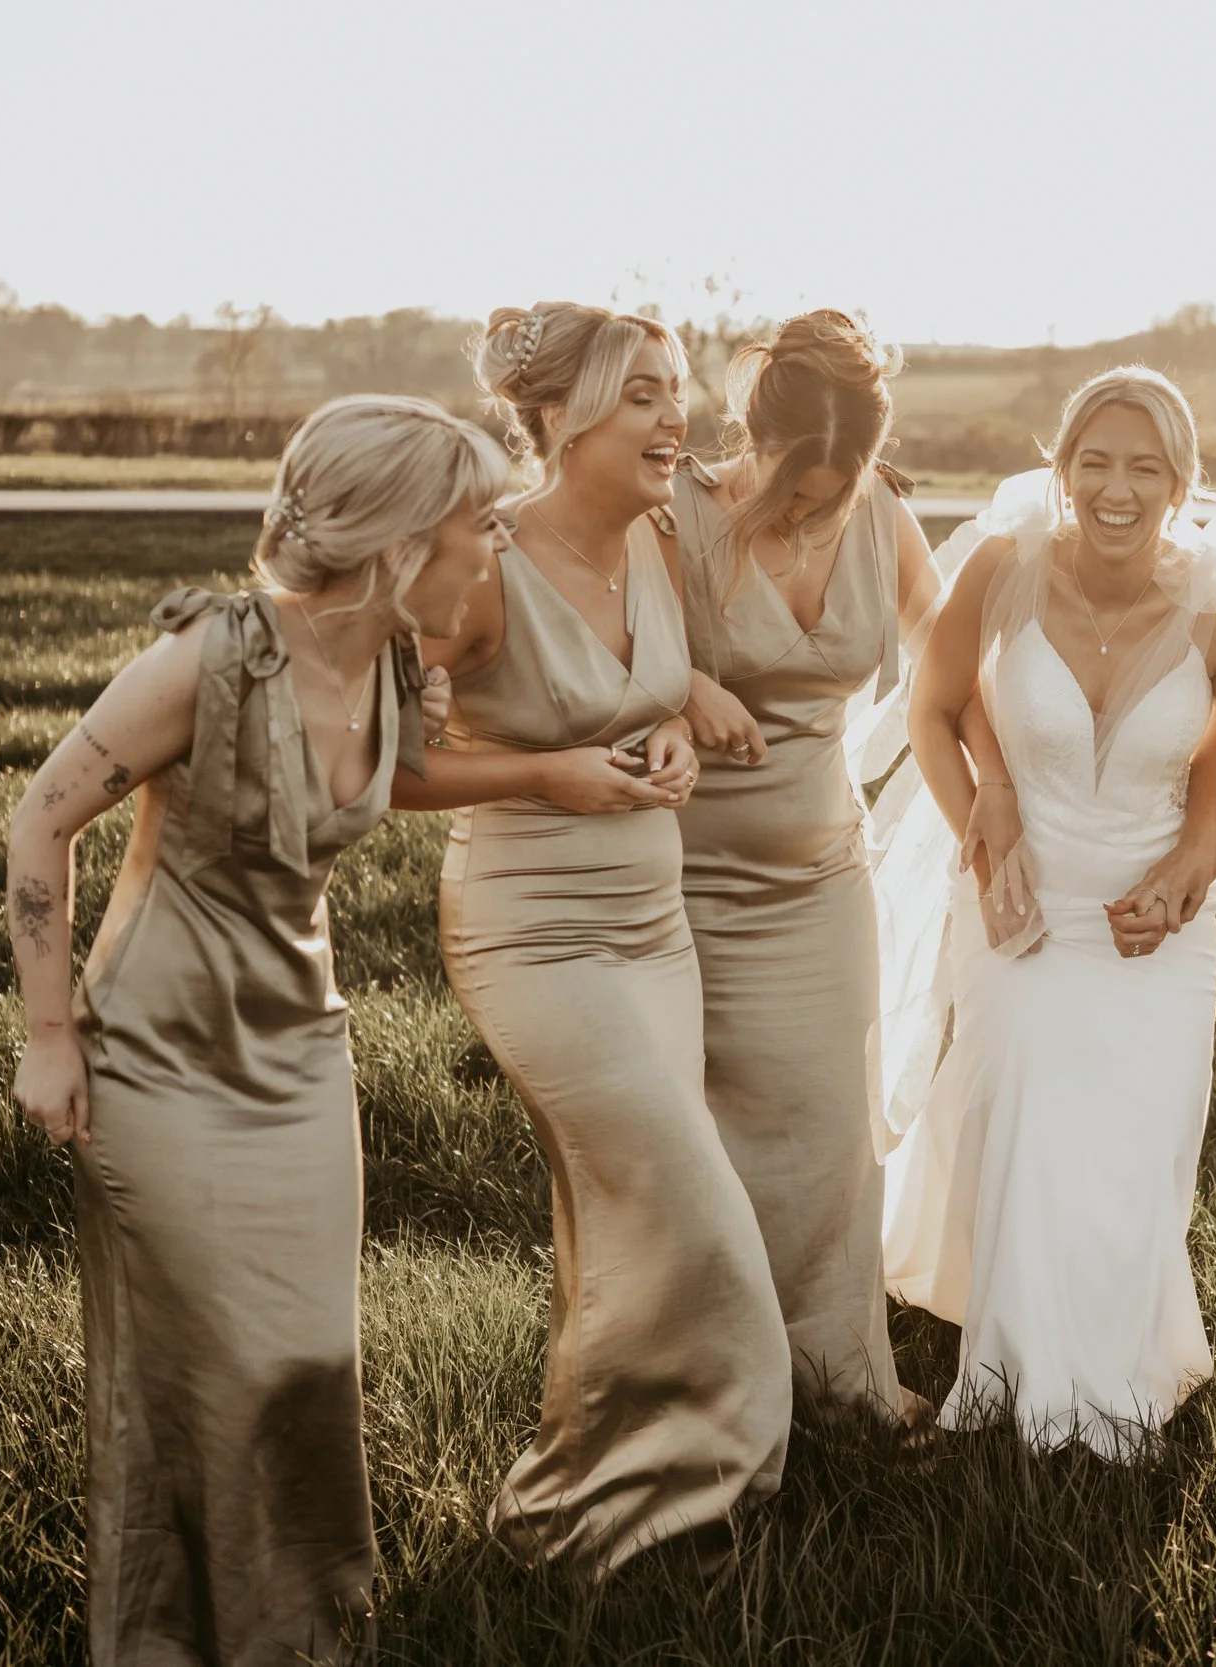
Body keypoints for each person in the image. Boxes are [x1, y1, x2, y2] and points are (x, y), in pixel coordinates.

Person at [5, 395, 510, 1664]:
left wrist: (619, 747)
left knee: (307, 1364)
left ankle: (303, 1636)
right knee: (208, 1370)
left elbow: (411, 764)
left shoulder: (397, 655)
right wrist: (49, 1033)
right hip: (158, 1057)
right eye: (479, 521)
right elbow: (39, 818)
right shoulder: (211, 658)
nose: (494, 543)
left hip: (302, 1056)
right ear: (400, 538)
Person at [400, 302, 791, 1571]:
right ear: (560, 418)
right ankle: (690, 1485)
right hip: (533, 934)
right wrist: (545, 773)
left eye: (675, 389)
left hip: (652, 929)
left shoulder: (656, 540)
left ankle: (603, 1489)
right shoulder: (483, 565)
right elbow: (387, 767)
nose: (677, 416)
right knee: (692, 1198)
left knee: (624, 1212)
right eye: (642, 394)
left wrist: (674, 725)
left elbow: (643, 687)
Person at [882, 366, 1216, 1457]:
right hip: (1023, 894)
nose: (1117, 488)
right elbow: (931, 708)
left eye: (1145, 467)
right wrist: (984, 820)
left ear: (1180, 482)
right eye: (1095, 462)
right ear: (1061, 469)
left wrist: (1195, 868)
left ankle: (1113, 1370)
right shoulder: (1004, 567)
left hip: (1157, 917)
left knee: (1134, 1134)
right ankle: (1016, 1378)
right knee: (1027, 1114)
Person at [658, 310, 941, 1417]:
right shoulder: (673, 513)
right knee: (702, 1134)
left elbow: (952, 657)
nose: (811, 509)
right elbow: (588, 644)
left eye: (835, 489)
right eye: (792, 487)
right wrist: (685, 683)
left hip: (823, 878)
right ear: (753, 433)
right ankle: (714, 1377)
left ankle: (841, 1379)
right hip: (681, 880)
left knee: (832, 1130)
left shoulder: (882, 515)